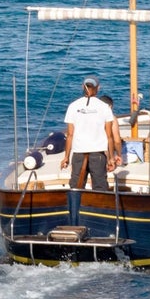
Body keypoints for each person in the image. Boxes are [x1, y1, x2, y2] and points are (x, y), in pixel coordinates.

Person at [62, 75, 117, 223]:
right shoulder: (104, 107)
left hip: (78, 153)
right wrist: (111, 158)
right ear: (98, 88)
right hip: (98, 154)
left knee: (75, 188)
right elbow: (109, 135)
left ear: (83, 87)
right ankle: (101, 220)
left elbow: (70, 135)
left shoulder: (73, 106)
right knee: (100, 188)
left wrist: (66, 157)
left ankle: (73, 219)